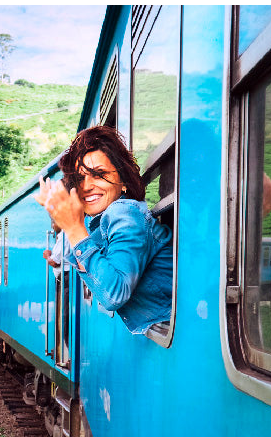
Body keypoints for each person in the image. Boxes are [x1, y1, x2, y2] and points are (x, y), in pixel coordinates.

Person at [35, 125, 172, 334]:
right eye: (80, 178)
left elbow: (114, 294)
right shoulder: (105, 220)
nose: (87, 186)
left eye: (99, 174)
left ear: (123, 181)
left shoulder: (123, 212)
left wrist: (73, 228)